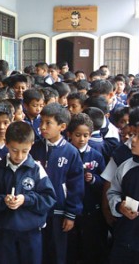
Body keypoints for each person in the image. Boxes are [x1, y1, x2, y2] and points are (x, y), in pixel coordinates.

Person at [0, 121, 56, 264]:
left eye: (25, 151)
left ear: (31, 145)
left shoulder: (36, 169)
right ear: (6, 144)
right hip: (4, 230)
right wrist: (3, 200)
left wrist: (26, 199)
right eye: (14, 150)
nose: (19, 155)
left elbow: (49, 198)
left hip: (30, 231)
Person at [30, 103, 84, 264]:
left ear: (62, 126)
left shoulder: (70, 152)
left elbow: (76, 186)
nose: (42, 127)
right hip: (37, 210)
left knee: (57, 253)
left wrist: (71, 214)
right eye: (41, 122)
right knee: (38, 252)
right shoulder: (35, 148)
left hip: (59, 212)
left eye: (48, 123)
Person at [66, 113, 107, 264]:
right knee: (71, 243)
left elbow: (104, 181)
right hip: (69, 206)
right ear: (69, 134)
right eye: (77, 135)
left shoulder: (96, 155)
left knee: (90, 243)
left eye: (86, 135)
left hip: (89, 206)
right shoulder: (65, 153)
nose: (82, 139)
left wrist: (93, 179)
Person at [107, 117, 139, 264]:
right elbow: (113, 192)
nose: (133, 140)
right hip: (126, 240)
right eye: (133, 134)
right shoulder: (126, 167)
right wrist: (119, 206)